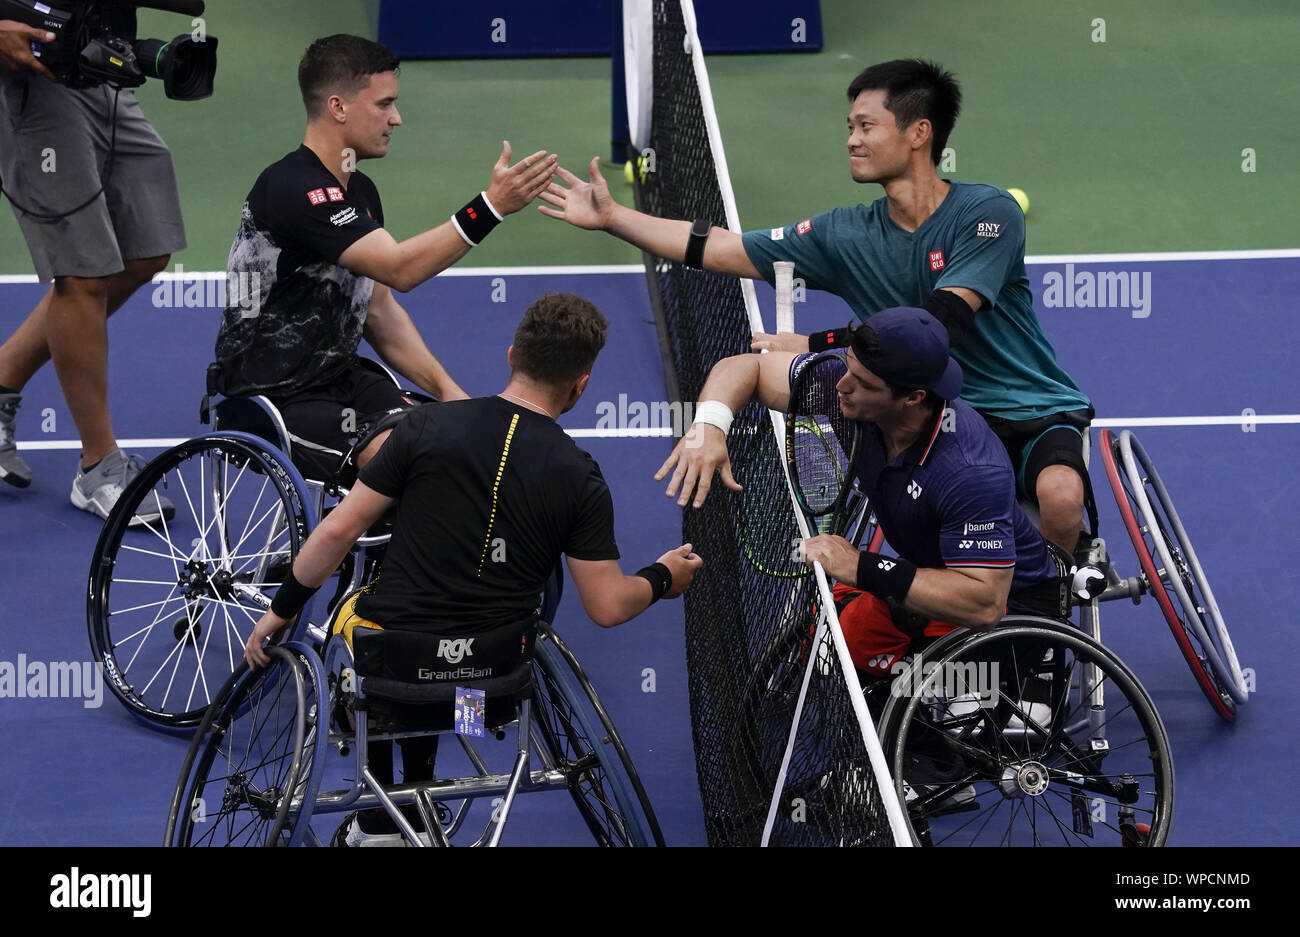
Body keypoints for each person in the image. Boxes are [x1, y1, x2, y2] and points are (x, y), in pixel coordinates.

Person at [539, 59, 1094, 557]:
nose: (851, 140)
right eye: (849, 128)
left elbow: (937, 324)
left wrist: (818, 343)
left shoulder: (988, 214)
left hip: (1028, 409)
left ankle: (1046, 608)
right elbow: (721, 247)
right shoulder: (843, 233)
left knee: (1061, 497)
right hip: (920, 412)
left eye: (866, 126)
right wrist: (615, 219)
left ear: (919, 133)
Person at [244, 291, 703, 845]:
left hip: (389, 674)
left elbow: (338, 532)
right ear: (581, 385)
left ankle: (385, 819)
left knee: (370, 627)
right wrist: (662, 577)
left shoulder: (422, 428)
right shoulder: (579, 476)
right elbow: (607, 606)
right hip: (486, 694)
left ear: (512, 354)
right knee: (448, 667)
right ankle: (411, 806)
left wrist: (281, 610)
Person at [211, 34, 559, 480]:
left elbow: (378, 311)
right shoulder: (294, 187)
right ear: (338, 107)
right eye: (384, 104)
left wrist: (451, 392)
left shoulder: (360, 191)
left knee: (457, 441)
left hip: (341, 380)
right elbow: (401, 269)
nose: (397, 118)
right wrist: (488, 208)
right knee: (409, 460)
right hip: (272, 395)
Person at [656, 306, 1065, 679]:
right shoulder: (849, 391)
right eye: (848, 366)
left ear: (913, 397)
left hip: (1012, 617)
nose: (842, 386)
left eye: (863, 382)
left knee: (892, 685)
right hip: (930, 573)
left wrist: (861, 568)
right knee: (840, 653)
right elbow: (746, 368)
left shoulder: (970, 472)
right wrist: (708, 427)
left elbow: (984, 605)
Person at [0, 18, 179, 524]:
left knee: (145, 250)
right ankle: (97, 466)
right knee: (82, 273)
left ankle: (2, 378)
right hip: (34, 80)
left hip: (102, 68)